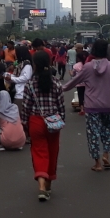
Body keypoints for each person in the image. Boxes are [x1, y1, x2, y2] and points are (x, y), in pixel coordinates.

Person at [62, 38, 110, 172]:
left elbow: (74, 81)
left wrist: (61, 88)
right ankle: (106, 155)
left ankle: (97, 163)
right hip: (108, 104)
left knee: (93, 134)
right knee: (107, 131)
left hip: (92, 105)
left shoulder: (88, 67)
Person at [21, 51, 66, 202]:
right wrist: (61, 120)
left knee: (39, 152)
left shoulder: (30, 84)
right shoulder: (56, 83)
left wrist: (25, 123)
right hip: (53, 121)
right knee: (52, 152)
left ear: (35, 65)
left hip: (36, 121)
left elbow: (26, 107)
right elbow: (61, 105)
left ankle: (41, 186)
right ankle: (48, 185)